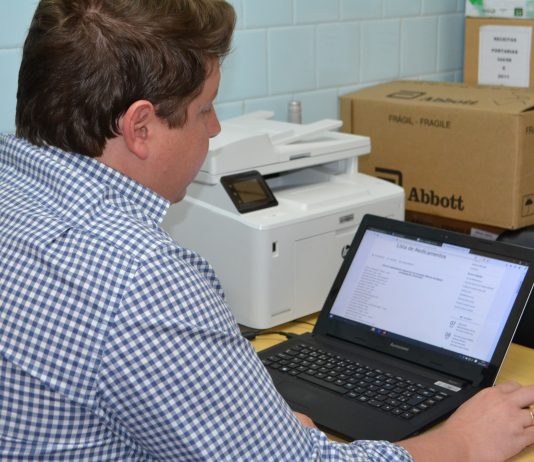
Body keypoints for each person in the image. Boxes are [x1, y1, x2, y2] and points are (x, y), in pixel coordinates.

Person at [1, 0, 534, 460]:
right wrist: (462, 443)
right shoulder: (141, 276)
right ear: (140, 127)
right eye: (204, 109)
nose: (214, 128)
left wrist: (257, 434)